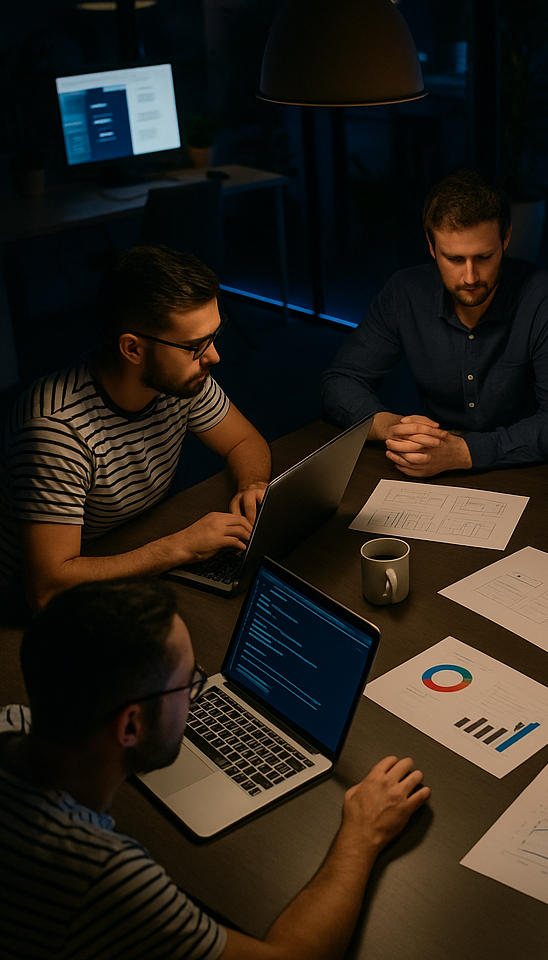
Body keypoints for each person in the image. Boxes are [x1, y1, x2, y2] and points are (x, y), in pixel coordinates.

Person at [0, 578, 430, 960]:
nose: (198, 693)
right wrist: (361, 835)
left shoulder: (11, 722)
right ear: (130, 725)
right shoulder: (101, 877)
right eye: (189, 682)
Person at [0, 245, 271, 612]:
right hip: (26, 605)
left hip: (124, 545)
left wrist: (252, 485)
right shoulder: (56, 431)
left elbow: (244, 441)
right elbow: (47, 588)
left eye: (213, 337)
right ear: (132, 349)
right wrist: (179, 547)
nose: (213, 356)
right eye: (194, 346)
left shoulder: (180, 379)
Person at [320, 171, 548, 478]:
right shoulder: (405, 293)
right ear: (432, 247)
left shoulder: (546, 300)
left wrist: (464, 452)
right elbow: (339, 381)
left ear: (506, 239)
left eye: (484, 257)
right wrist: (391, 426)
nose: (471, 277)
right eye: (455, 259)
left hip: (525, 469)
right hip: (436, 466)